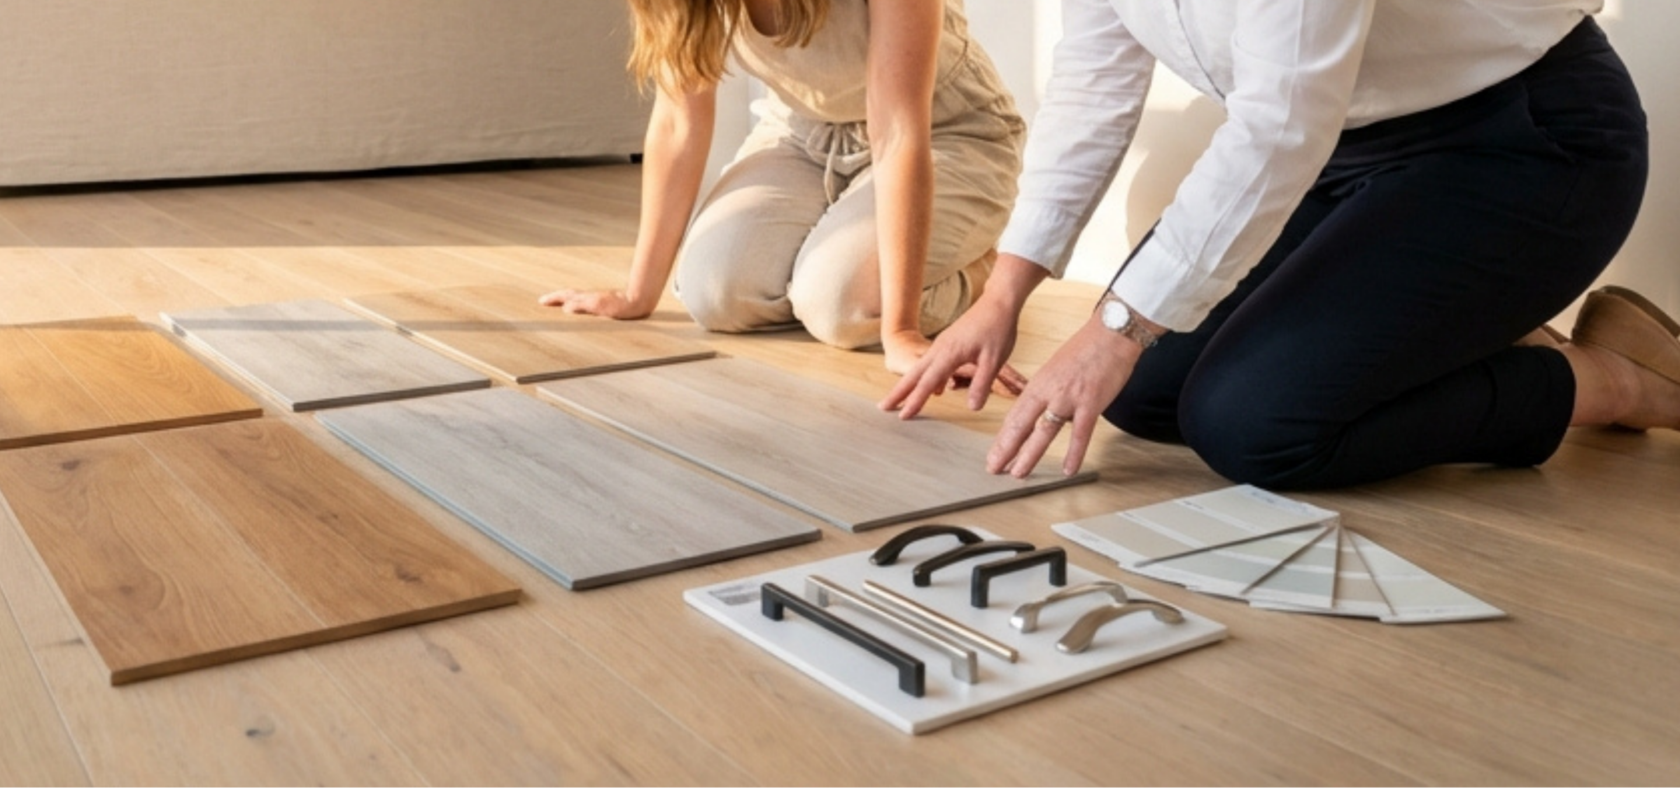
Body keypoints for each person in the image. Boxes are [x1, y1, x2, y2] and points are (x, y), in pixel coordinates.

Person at [884, 2, 1669, 490]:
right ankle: (1451, 323)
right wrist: (1003, 294)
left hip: (1523, 144)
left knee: (1256, 428)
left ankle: (1615, 381)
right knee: (1143, 392)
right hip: (1342, 154)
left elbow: (1279, 124)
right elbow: (1094, 82)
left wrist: (1111, 328)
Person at [541, 0, 1025, 375]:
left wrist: (899, 329)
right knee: (714, 295)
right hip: (802, 133)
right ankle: (843, 256)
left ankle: (977, 267)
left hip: (945, 132)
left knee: (841, 310)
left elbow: (897, 131)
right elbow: (677, 120)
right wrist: (637, 293)